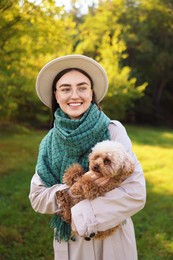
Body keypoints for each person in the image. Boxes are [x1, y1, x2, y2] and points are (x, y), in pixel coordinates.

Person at [29, 54, 146, 260]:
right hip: (69, 245)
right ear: (56, 96)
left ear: (91, 93)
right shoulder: (48, 143)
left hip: (111, 242)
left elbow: (135, 192)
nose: (74, 95)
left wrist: (82, 214)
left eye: (82, 87)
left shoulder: (113, 131)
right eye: (65, 89)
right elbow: (37, 197)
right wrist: (70, 193)